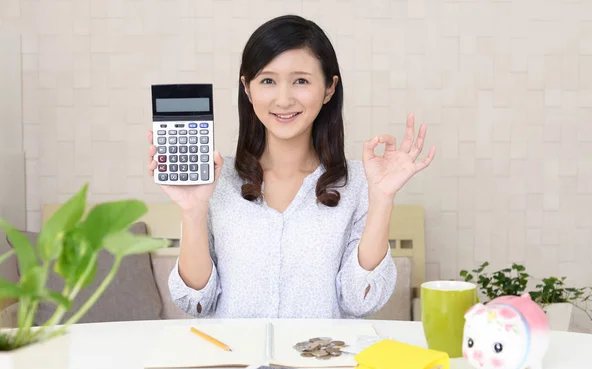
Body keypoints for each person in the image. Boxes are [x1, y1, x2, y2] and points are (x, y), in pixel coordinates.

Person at [146, 15, 435, 319]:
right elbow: (196, 304)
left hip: (324, 362)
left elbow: (359, 301)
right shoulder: (215, 181)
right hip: (236, 362)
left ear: (328, 88)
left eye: (301, 81)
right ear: (247, 88)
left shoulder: (361, 183)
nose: (283, 100)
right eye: (268, 80)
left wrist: (382, 199)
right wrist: (193, 210)